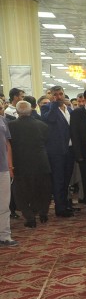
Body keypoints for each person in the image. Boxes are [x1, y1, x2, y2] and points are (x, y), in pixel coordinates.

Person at [8, 101, 51, 228]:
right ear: (31, 110)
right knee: (43, 190)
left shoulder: (10, 126)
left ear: (17, 111)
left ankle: (30, 218)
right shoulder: (42, 125)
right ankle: (43, 213)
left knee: (20, 193)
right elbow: (46, 141)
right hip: (41, 162)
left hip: (20, 164)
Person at [41, 85, 75, 217]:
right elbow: (50, 119)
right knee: (58, 180)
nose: (58, 97)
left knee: (67, 179)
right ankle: (59, 208)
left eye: (60, 94)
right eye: (55, 95)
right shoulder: (46, 108)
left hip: (70, 150)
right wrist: (54, 104)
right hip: (56, 151)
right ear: (50, 96)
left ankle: (65, 204)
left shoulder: (69, 109)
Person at [0, 105, 16, 246]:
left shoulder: (3, 120)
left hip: (3, 168)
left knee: (4, 204)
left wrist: (10, 166)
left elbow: (7, 144)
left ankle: (5, 235)